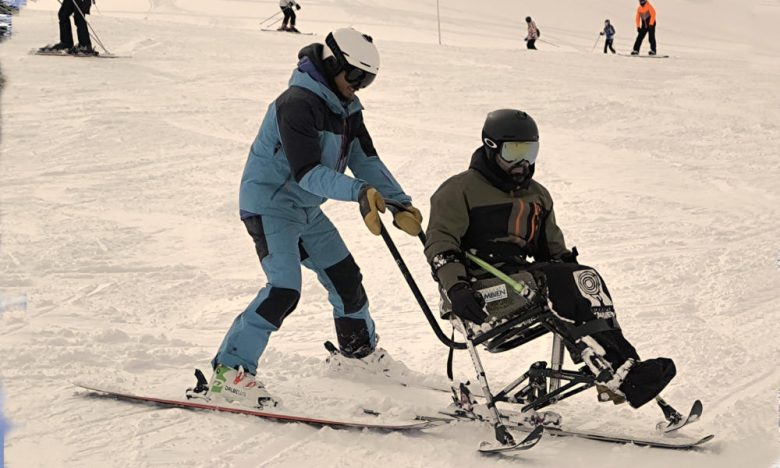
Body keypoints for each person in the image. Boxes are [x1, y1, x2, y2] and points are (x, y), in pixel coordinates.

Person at [186, 28, 423, 408]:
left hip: (306, 208)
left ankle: (357, 356)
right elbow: (308, 172)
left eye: (368, 80)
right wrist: (359, 192)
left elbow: (365, 159)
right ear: (332, 64)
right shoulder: (296, 103)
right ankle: (229, 373)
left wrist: (400, 203)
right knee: (284, 289)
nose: (359, 86)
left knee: (346, 279)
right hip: (270, 205)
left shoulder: (347, 109)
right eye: (356, 76)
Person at [424, 109, 676, 410]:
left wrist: (572, 269)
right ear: (491, 147)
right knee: (559, 280)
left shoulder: (537, 196)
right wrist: (457, 288)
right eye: (514, 152)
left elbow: (553, 251)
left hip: (522, 285)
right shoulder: (459, 190)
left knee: (584, 277)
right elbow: (441, 245)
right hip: (479, 294)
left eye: (529, 152)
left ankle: (623, 367)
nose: (522, 162)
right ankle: (616, 371)